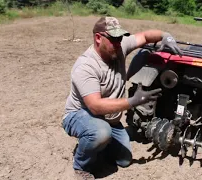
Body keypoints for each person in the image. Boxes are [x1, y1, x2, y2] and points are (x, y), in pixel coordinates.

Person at [61, 16, 182, 180]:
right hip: (80, 115)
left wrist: (165, 35)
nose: (119, 43)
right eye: (114, 39)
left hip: (108, 118)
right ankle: (81, 165)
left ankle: (99, 145)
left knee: (124, 160)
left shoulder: (118, 47)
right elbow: (95, 106)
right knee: (100, 133)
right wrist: (132, 101)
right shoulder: (86, 66)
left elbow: (145, 36)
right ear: (98, 38)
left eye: (120, 38)